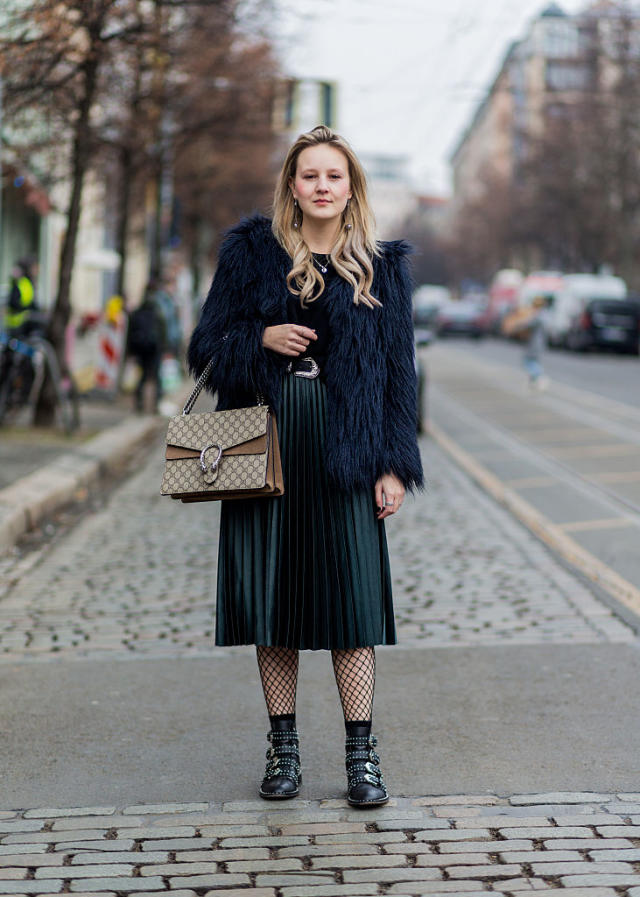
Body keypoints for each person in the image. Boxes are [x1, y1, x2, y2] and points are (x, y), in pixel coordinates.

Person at [187, 125, 424, 807]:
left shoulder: (381, 265)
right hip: (270, 440)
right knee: (275, 598)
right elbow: (205, 344)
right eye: (310, 174)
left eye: (335, 176)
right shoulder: (251, 253)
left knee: (354, 602)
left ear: (352, 188)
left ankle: (361, 755)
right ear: (292, 183)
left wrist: (393, 464)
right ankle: (283, 746)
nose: (322, 186)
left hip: (348, 447)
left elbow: (396, 378)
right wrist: (259, 336)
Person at [127, 291, 163, 412]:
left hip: (140, 349)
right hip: (154, 349)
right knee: (156, 377)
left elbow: (130, 334)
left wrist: (130, 351)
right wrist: (165, 348)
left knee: (142, 376)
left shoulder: (136, 313)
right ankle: (156, 405)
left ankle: (139, 403)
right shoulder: (157, 313)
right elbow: (163, 333)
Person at [4, 258, 39, 335]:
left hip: (19, 322)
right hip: (20, 322)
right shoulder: (25, 283)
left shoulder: (21, 283)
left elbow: (14, 303)